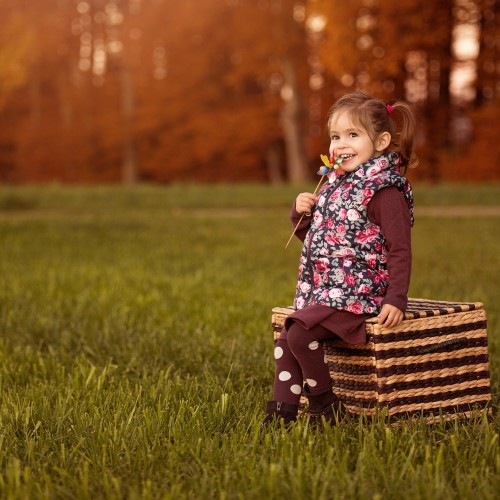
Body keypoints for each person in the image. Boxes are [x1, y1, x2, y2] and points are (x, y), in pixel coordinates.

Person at [263, 90, 417, 426]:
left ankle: (325, 406)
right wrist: (301, 215)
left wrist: (396, 298)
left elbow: (399, 249)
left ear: (381, 141)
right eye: (335, 136)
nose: (341, 144)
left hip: (362, 293)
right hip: (329, 291)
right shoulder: (335, 184)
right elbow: (324, 243)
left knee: (300, 334)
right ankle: (281, 414)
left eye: (352, 134)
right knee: (289, 337)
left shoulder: (384, 191)